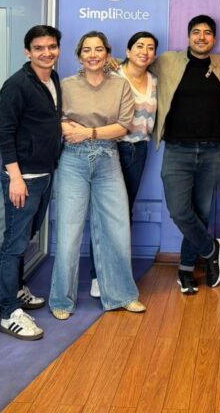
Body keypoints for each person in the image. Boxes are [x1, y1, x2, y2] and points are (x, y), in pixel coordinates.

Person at [49, 31, 145, 318]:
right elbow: (58, 121)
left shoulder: (120, 85)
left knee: (117, 230)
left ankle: (122, 295)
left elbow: (123, 126)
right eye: (87, 50)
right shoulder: (66, 85)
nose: (93, 55)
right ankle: (61, 301)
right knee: (68, 234)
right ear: (80, 55)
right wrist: (75, 131)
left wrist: (88, 132)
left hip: (107, 159)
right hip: (73, 160)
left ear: (107, 54)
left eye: (99, 49)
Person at [153, 15, 220, 294]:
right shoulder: (168, 61)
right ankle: (212, 249)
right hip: (178, 149)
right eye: (196, 32)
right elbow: (136, 67)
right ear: (188, 36)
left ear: (214, 38)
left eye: (207, 33)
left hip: (212, 150)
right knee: (179, 211)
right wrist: (109, 62)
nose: (202, 37)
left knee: (201, 212)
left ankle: (186, 269)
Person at [0, 25, 64, 341]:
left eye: (52, 47)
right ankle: (9, 312)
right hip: (24, 179)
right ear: (27, 51)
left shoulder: (52, 78)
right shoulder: (17, 85)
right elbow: (3, 132)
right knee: (15, 243)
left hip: (45, 174)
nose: (46, 53)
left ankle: (17, 288)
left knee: (26, 236)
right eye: (39, 48)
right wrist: (16, 178)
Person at [87, 31, 158, 299]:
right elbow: (87, 81)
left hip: (139, 150)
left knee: (123, 213)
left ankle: (116, 273)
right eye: (139, 46)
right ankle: (98, 275)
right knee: (105, 213)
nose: (144, 51)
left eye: (150, 48)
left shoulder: (154, 80)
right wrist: (108, 60)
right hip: (111, 149)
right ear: (127, 51)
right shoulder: (113, 74)